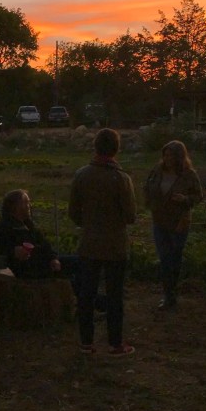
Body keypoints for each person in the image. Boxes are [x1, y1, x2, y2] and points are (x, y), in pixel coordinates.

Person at [68, 128, 137, 357]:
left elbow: (73, 213)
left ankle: (86, 342)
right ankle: (115, 343)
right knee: (115, 295)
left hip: (89, 243)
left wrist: (88, 223)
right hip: (115, 245)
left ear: (95, 147)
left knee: (86, 293)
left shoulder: (82, 175)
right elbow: (130, 215)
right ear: (116, 149)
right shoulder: (121, 179)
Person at [144, 140, 203, 310]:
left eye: (171, 155)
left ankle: (172, 293)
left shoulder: (189, 175)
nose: (167, 158)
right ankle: (168, 294)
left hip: (179, 222)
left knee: (174, 258)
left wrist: (185, 200)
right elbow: (147, 186)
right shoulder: (157, 171)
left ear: (179, 157)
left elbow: (198, 196)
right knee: (164, 258)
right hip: (159, 221)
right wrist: (149, 201)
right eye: (165, 154)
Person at [0, 189, 63, 279]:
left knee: (75, 262)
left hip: (46, 265)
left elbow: (45, 245)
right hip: (30, 272)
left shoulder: (30, 226)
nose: (29, 206)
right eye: (26, 202)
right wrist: (13, 251)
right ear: (14, 206)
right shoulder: (5, 227)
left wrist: (53, 258)